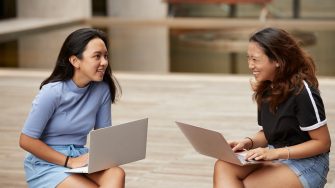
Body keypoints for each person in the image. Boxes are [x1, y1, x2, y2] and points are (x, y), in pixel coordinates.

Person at [213, 27, 331, 188]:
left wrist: (275, 153)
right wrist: (247, 142)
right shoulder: (266, 89)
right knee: (223, 165)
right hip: (274, 154)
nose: (250, 65)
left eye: (255, 59)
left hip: (307, 163)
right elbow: (268, 133)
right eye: (248, 59)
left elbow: (322, 143)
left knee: (248, 185)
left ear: (277, 60)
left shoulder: (303, 92)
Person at [19, 28, 124, 188]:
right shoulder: (52, 92)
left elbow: (104, 136)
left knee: (117, 173)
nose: (104, 62)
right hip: (46, 163)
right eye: (97, 56)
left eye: (105, 56)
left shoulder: (101, 90)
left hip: (80, 156)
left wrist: (113, 152)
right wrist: (69, 161)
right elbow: (26, 140)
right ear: (75, 61)